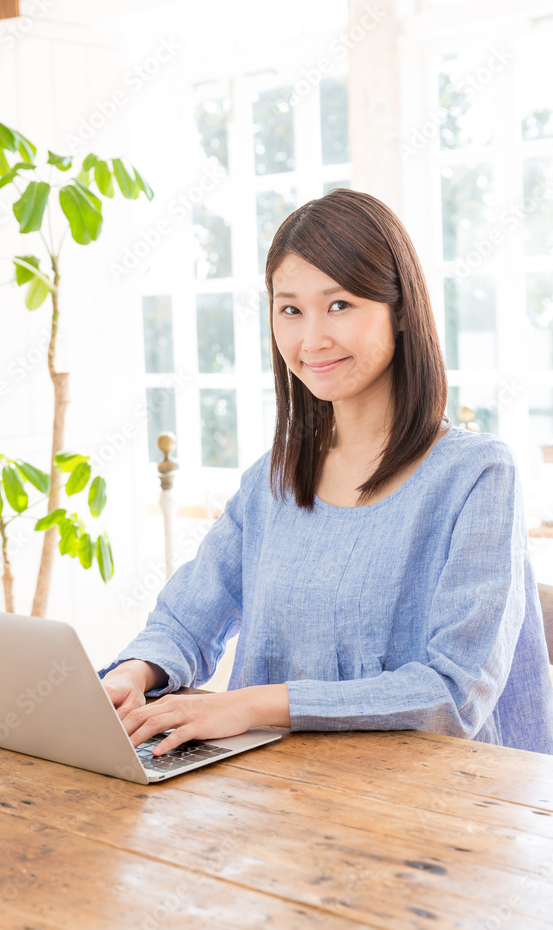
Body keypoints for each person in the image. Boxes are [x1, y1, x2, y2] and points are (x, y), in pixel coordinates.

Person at [98, 188, 553, 758]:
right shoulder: (272, 482)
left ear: (402, 311)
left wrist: (245, 705)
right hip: (277, 798)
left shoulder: (477, 474)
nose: (312, 339)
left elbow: (452, 695)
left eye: (339, 305)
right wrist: (132, 675)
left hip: (432, 811)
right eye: (291, 309)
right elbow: (185, 621)